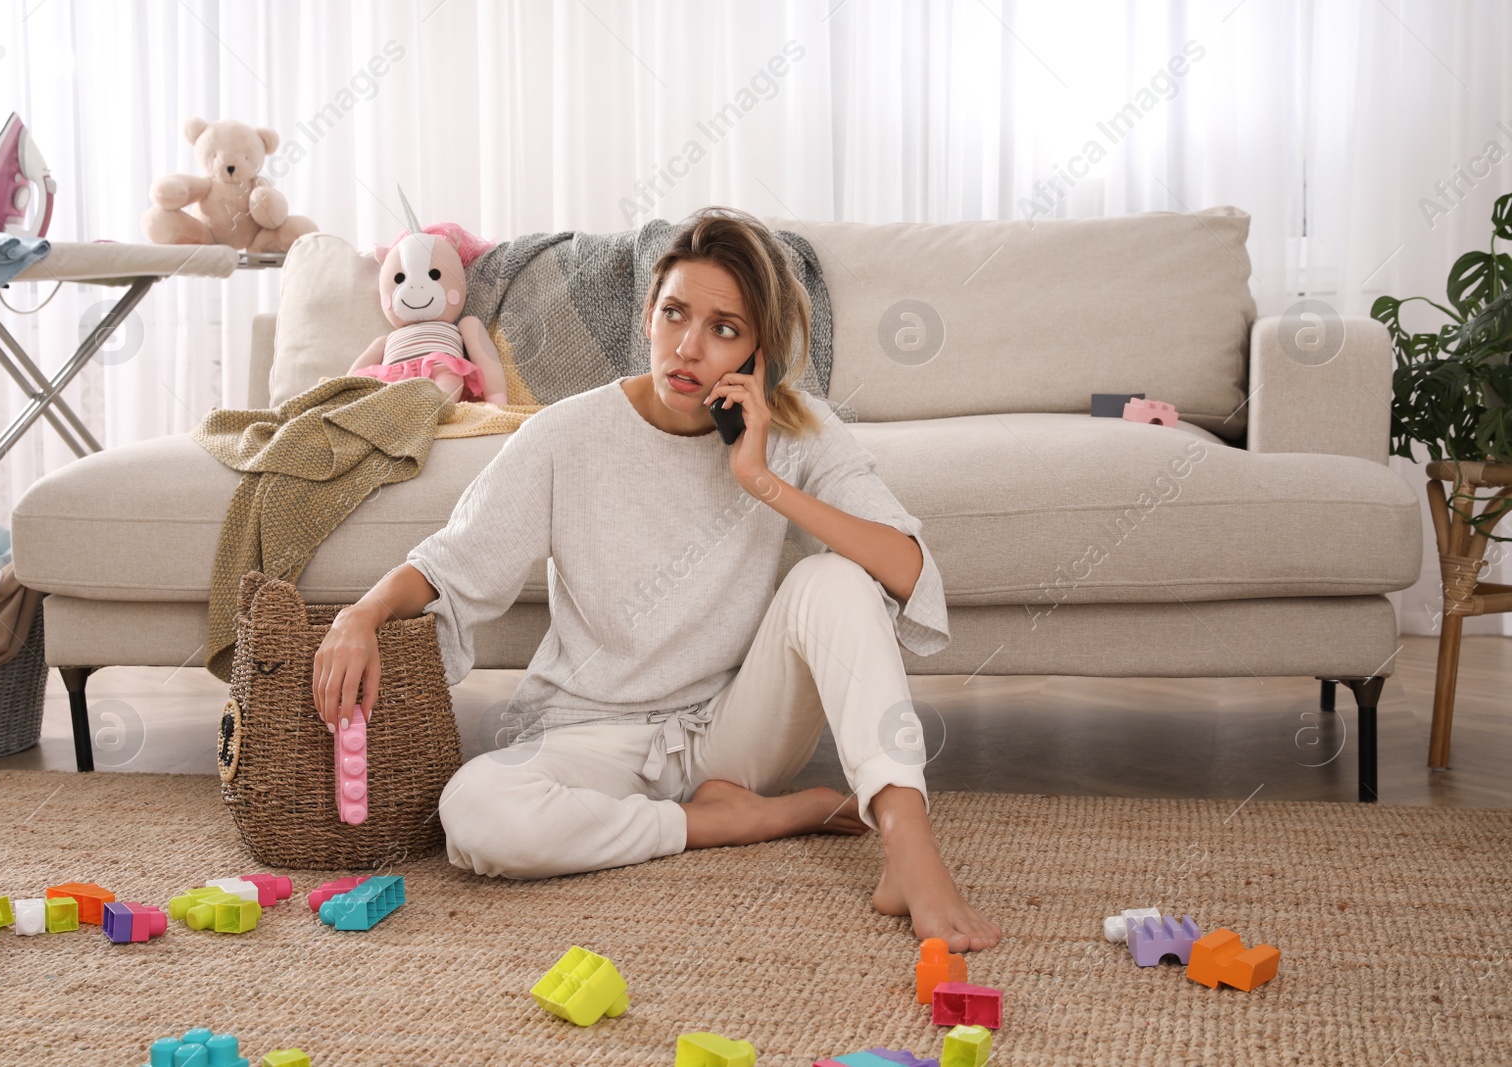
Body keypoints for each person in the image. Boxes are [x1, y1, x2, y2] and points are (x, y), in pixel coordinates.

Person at [312, 206, 1001, 952]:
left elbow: (904, 567)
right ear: (647, 314)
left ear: (760, 349)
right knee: (476, 812)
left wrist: (762, 479)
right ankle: (727, 821)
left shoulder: (796, 430)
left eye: (725, 328)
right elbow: (454, 559)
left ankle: (908, 847)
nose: (689, 347)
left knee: (835, 578)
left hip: (734, 733)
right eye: (674, 314)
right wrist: (361, 614)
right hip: (590, 734)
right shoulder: (564, 435)